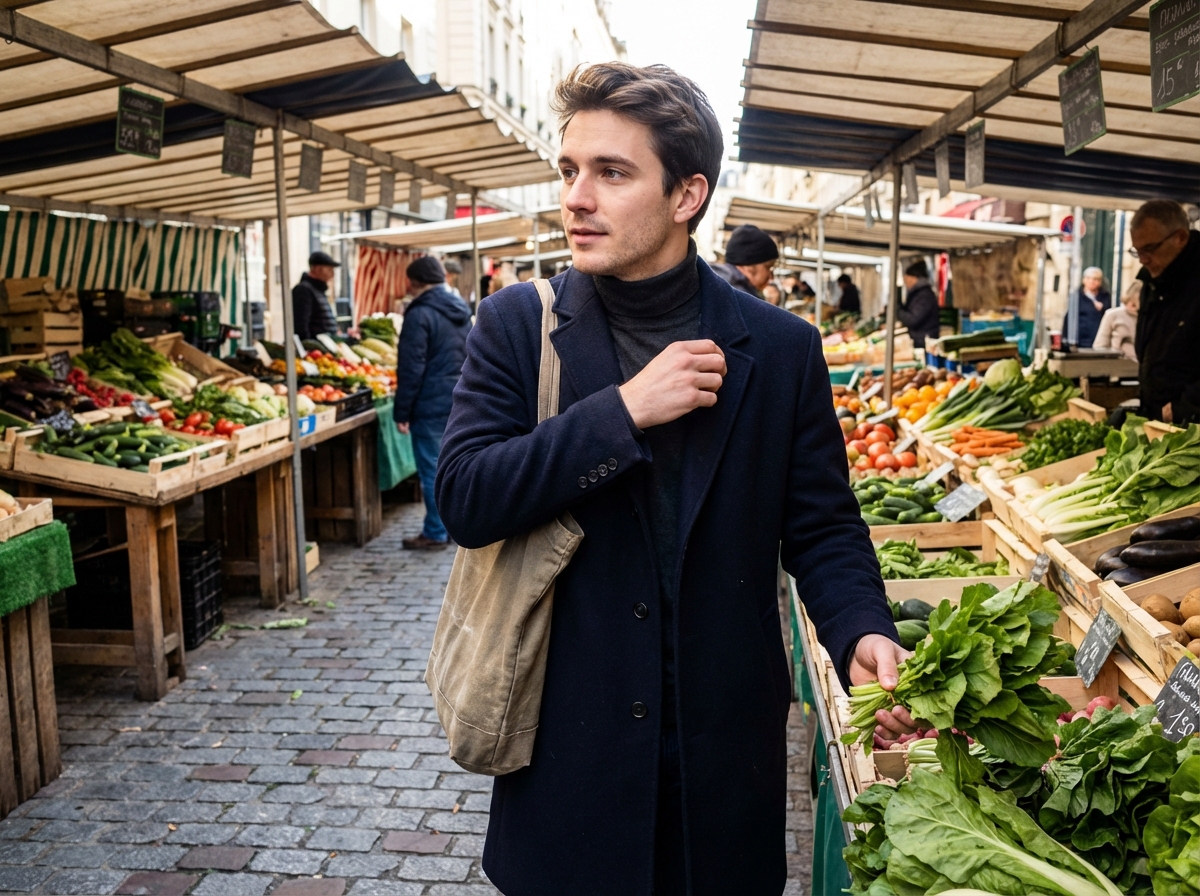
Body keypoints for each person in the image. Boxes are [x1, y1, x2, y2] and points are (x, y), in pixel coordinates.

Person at [435, 61, 908, 896]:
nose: (577, 197)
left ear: (686, 195)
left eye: (611, 173)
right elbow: (467, 497)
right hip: (566, 747)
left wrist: (861, 630)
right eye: (570, 170)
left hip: (723, 755)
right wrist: (621, 413)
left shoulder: (781, 348)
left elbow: (825, 527)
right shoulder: (517, 325)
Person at [393, 255, 473, 550]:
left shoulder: (419, 313)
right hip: (458, 396)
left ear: (414, 282)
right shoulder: (460, 309)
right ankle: (455, 526)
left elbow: (411, 367)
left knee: (432, 469)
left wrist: (402, 410)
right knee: (454, 465)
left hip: (428, 401)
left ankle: (436, 531)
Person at [1131, 199, 1200, 424]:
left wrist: (1182, 408)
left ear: (1180, 237)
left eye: (1149, 249)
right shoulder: (1152, 282)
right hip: (1159, 421)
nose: (1143, 260)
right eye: (1137, 251)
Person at [711, 223, 778, 298]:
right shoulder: (740, 296)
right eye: (768, 267)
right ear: (750, 266)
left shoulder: (710, 279)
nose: (771, 277)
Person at [292, 250, 340, 340]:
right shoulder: (303, 290)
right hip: (315, 349)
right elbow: (300, 325)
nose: (332, 274)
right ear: (317, 269)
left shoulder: (318, 290)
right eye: (329, 269)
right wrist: (308, 347)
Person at [1062, 266, 1111, 348]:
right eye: (1089, 278)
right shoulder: (1076, 297)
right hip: (1080, 340)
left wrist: (1103, 307)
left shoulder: (1105, 297)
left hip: (1098, 340)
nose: (1092, 281)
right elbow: (1069, 318)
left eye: (1095, 279)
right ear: (1084, 280)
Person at [897, 259, 940, 349]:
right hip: (921, 338)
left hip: (924, 341)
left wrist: (897, 310)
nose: (905, 283)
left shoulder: (924, 295)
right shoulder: (917, 293)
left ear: (914, 278)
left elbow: (913, 319)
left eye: (906, 279)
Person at [1094, 282, 1140, 361]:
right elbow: (1100, 346)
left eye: (1134, 304)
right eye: (1128, 301)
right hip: (1118, 365)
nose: (1129, 305)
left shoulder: (1150, 318)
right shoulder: (1113, 315)